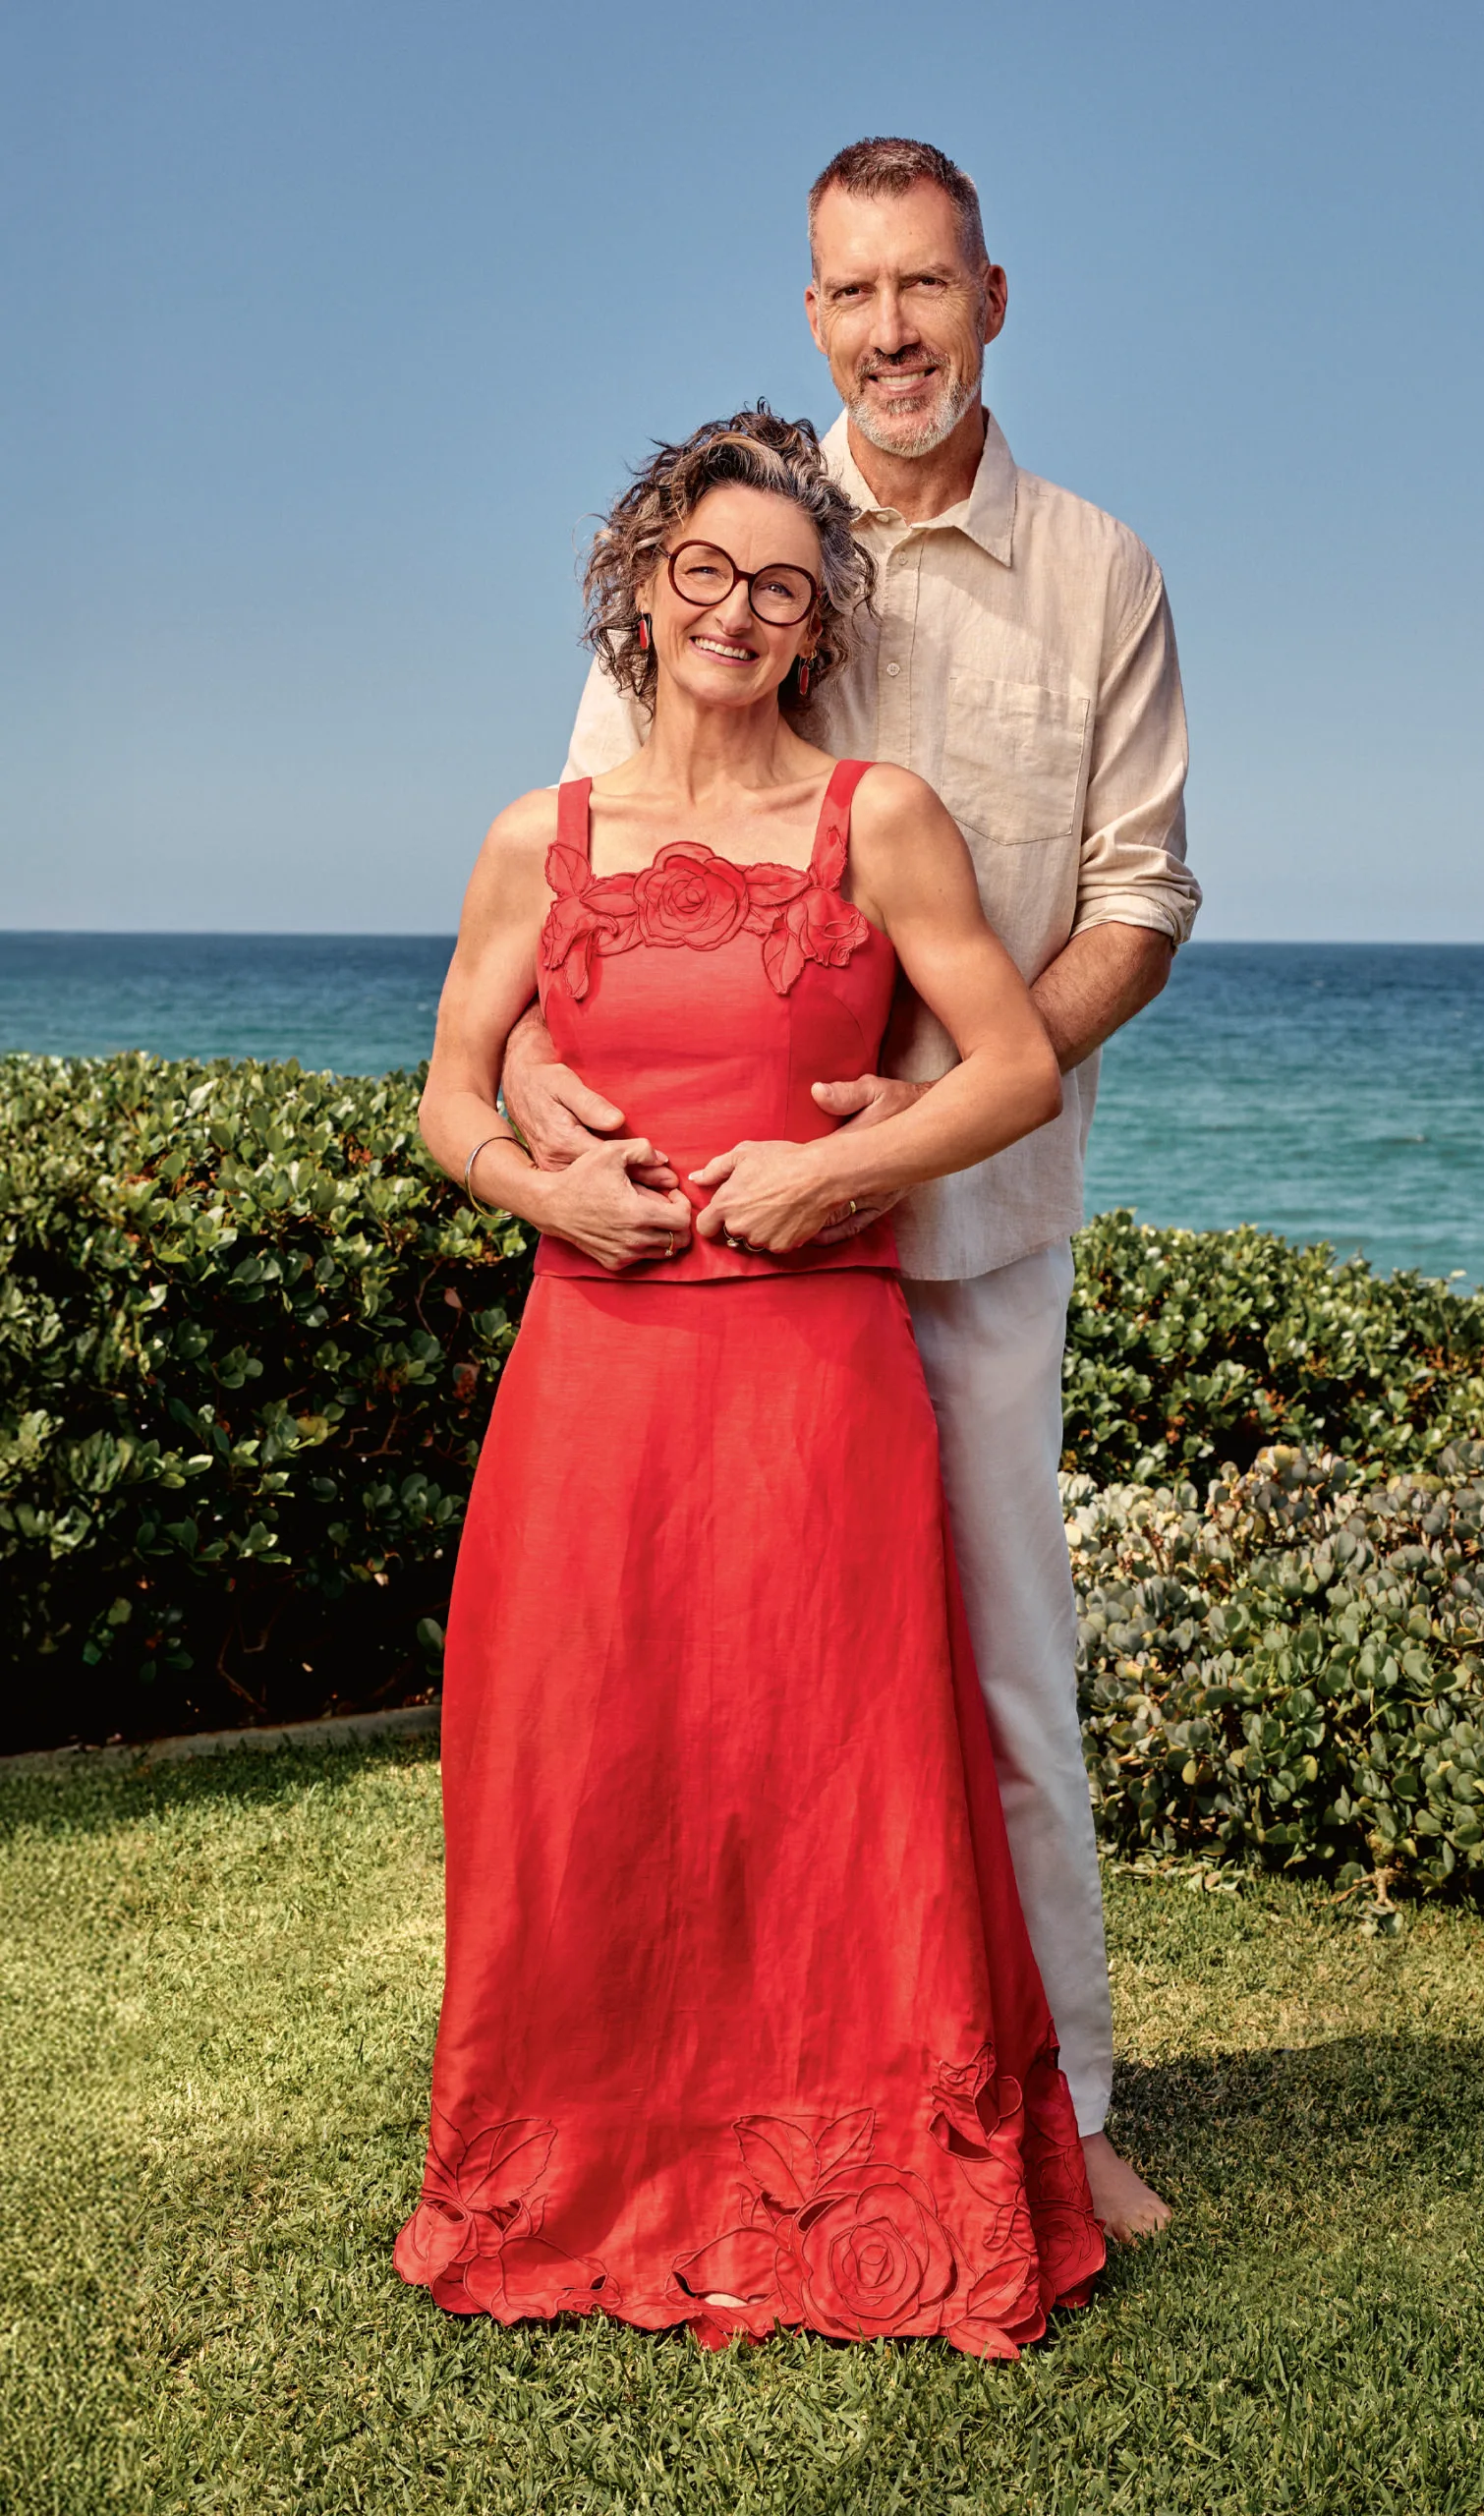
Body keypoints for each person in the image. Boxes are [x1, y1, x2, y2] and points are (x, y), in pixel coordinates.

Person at [501, 138, 1200, 2241]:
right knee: (697, 1692)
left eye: (929, 285)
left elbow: (1138, 901)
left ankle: (1056, 2100)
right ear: (811, 314)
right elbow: (566, 895)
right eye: (853, 293)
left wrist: (909, 1127)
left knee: (990, 1668)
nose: (893, 328)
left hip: (966, 1229)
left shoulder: (1099, 571)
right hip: (701, 1263)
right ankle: (729, 2096)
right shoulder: (729, 533)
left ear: (995, 296)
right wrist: (549, 1133)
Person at [395, 408, 1108, 2356]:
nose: (732, 608)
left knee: (831, 1771)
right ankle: (585, 2166)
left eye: (777, 585)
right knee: (581, 1762)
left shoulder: (875, 817)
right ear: (639, 586)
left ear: (814, 625)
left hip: (812, 1371)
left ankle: (857, 2176)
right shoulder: (532, 841)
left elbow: (1009, 1065)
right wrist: (548, 1183)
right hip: (592, 1367)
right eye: (700, 569)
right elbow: (452, 1094)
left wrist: (835, 1171)